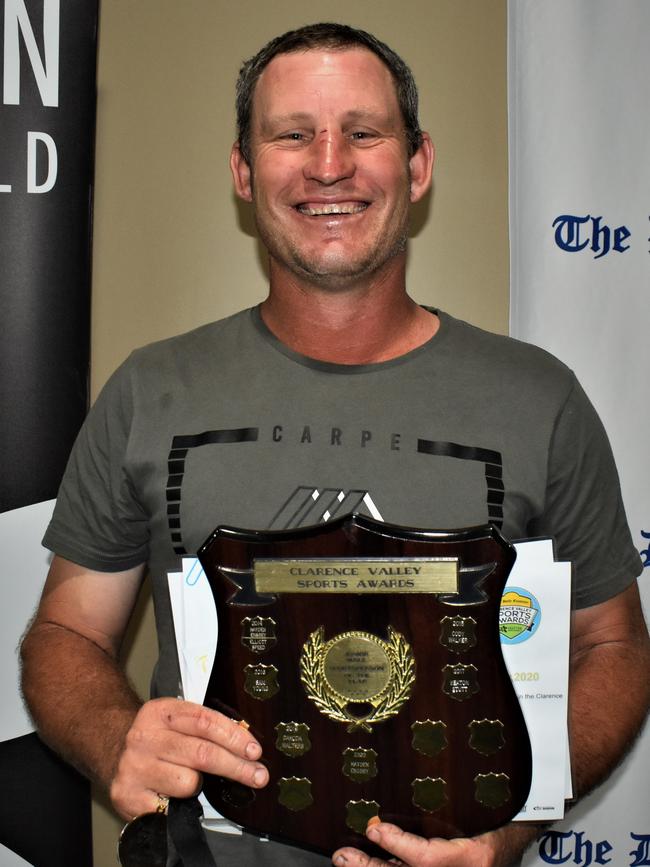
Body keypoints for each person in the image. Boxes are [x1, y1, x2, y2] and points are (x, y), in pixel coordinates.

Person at [21, 22, 649, 867]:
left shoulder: (540, 400)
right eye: (291, 135)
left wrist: (512, 827)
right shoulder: (149, 390)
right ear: (244, 172)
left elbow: (613, 646)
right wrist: (114, 737)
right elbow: (67, 635)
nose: (328, 164)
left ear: (418, 164)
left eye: (363, 131)